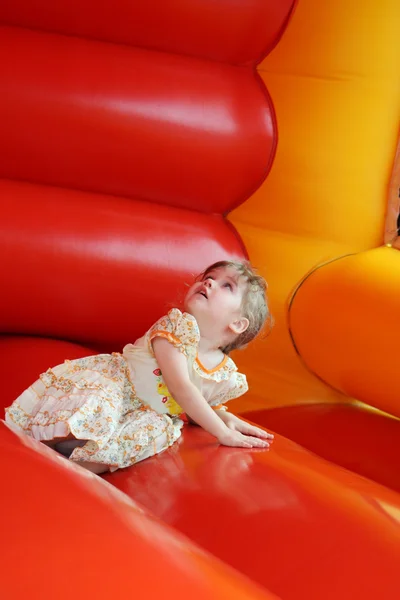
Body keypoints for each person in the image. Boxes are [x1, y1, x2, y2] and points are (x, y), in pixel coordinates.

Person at [5, 260, 274, 474]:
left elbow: (197, 408)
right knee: (100, 402)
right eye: (209, 277)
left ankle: (75, 471)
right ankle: (35, 448)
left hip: (144, 413)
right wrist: (222, 432)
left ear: (238, 324)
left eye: (227, 285)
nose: (210, 282)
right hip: (120, 385)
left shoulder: (224, 372)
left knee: (155, 432)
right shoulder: (175, 327)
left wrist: (229, 419)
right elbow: (181, 388)